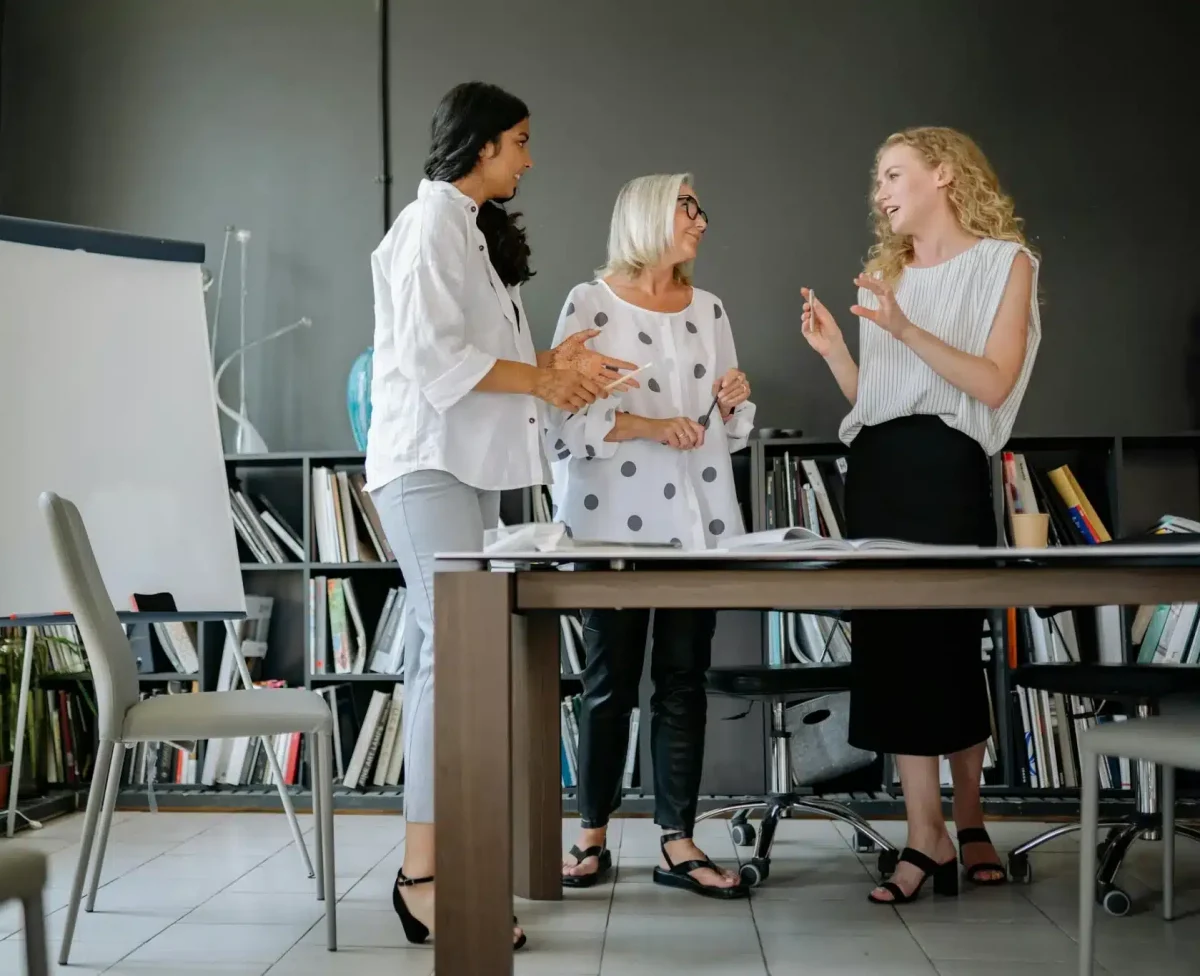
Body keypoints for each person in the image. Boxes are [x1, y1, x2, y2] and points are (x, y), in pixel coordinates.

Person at [364, 81, 641, 949]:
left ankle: (447, 868)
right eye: (520, 140)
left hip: (458, 469)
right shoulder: (429, 227)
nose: (528, 156)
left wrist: (552, 362)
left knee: (448, 661)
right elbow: (436, 360)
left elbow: (481, 357)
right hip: (424, 467)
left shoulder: (466, 232)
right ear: (483, 145)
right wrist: (542, 377)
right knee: (448, 661)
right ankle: (423, 880)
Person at [800, 126, 1040, 904]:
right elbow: (877, 403)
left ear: (943, 174)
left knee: (943, 643)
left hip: (946, 467)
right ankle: (924, 834)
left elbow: (993, 383)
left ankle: (967, 820)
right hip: (876, 467)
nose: (881, 191)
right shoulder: (884, 271)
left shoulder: (1007, 263)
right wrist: (842, 354)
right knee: (893, 649)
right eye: (878, 180)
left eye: (893, 174)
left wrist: (904, 329)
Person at [549, 173, 755, 899]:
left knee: (682, 683)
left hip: (697, 523)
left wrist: (733, 403)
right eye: (688, 206)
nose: (702, 218)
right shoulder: (588, 302)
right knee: (608, 686)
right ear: (647, 217)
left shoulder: (711, 308)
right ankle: (591, 835)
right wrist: (644, 424)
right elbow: (563, 421)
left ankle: (678, 840)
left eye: (700, 205)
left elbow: (724, 432)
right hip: (612, 527)